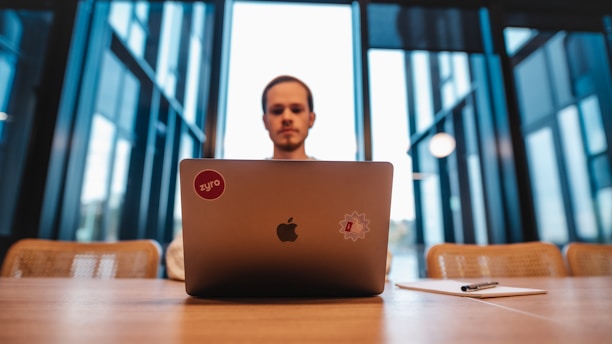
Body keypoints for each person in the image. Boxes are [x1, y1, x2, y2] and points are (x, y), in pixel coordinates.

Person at [165, 75, 392, 280]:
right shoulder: (240, 187)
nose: (286, 117)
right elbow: (177, 257)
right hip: (247, 308)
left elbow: (380, 258)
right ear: (265, 121)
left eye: (296, 109)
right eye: (276, 110)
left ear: (311, 118)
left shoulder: (340, 189)